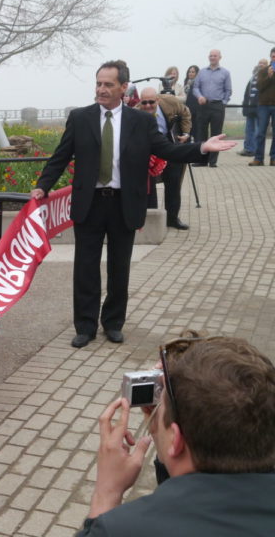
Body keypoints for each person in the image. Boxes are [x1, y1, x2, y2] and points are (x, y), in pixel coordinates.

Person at [29, 60, 235, 349]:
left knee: (119, 267)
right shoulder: (80, 118)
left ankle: (113, 323)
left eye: (108, 84)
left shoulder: (142, 121)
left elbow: (167, 150)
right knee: (85, 268)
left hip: (123, 204)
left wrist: (201, 148)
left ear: (123, 88)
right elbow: (60, 157)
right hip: (89, 204)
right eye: (98, 83)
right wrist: (42, 186)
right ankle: (85, 326)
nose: (101, 89)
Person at [78, 334, 275, 536]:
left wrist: (107, 493)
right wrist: (163, 439)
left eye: (160, 405)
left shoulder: (122, 529)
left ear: (177, 439)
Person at [136, 87, 192, 230]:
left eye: (151, 102)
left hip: (170, 144)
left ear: (158, 100)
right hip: (150, 150)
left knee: (174, 182)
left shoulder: (171, 102)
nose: (148, 106)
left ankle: (172, 219)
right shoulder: (135, 112)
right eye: (144, 103)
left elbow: (186, 113)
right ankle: (151, 218)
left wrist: (185, 133)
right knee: (149, 185)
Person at [191, 49, 232, 167]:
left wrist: (223, 103)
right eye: (210, 56)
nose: (212, 57)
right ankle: (201, 160)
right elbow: (195, 88)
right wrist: (199, 96)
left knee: (216, 134)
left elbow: (228, 90)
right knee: (201, 133)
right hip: (203, 106)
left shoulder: (225, 73)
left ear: (220, 57)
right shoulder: (202, 72)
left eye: (215, 56)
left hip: (217, 106)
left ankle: (213, 161)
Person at [252, 47, 275, 167]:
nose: (274, 58)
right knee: (260, 133)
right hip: (263, 106)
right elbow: (259, 86)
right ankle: (258, 158)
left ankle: (273, 158)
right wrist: (269, 76)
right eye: (273, 56)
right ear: (270, 57)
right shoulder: (263, 71)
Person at [241, 59, 267, 159]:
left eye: (263, 63)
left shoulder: (268, 76)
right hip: (249, 108)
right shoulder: (253, 77)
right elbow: (247, 93)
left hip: (260, 108)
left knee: (258, 131)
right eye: (260, 63)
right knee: (248, 130)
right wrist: (245, 106)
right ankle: (248, 149)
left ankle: (256, 150)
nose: (261, 65)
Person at [183, 65, 200, 141]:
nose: (190, 73)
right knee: (187, 131)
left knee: (196, 132)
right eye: (189, 71)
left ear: (197, 73)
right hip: (187, 110)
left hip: (196, 111)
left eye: (193, 72)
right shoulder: (186, 83)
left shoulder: (199, 84)